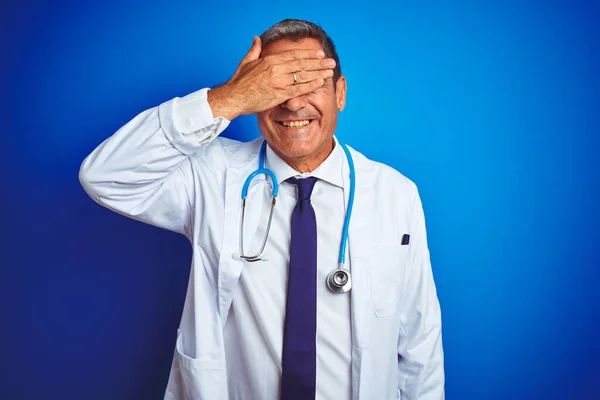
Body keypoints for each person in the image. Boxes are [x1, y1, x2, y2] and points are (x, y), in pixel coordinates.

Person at [79, 18, 444, 400]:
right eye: (278, 84)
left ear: (340, 93)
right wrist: (229, 97)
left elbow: (420, 340)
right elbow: (104, 176)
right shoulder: (212, 175)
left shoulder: (395, 193)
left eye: (310, 82)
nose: (293, 102)